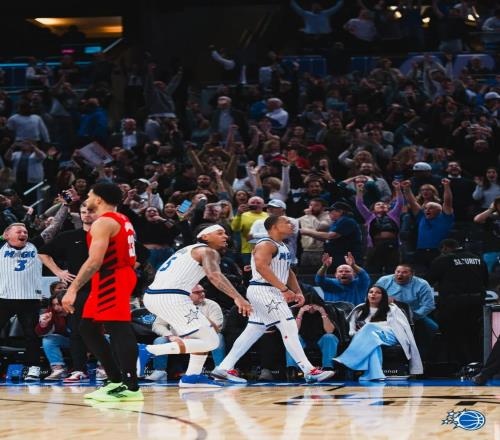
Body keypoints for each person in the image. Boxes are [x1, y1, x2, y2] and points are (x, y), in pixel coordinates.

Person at [212, 215, 335, 384]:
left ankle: (224, 367)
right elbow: (261, 267)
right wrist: (283, 289)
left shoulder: (283, 246)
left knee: (254, 330)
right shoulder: (265, 244)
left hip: (270, 290)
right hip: (264, 290)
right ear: (274, 227)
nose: (291, 224)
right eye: (286, 222)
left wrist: (298, 292)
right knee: (288, 326)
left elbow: (288, 271)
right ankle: (309, 370)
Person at [142, 224, 252, 387]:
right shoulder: (207, 251)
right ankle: (147, 351)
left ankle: (192, 376)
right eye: (220, 233)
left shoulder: (187, 250)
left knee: (204, 337)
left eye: (225, 233)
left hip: (158, 295)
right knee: (212, 341)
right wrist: (238, 297)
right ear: (205, 236)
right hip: (171, 297)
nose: (226, 236)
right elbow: (214, 275)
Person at [62, 183, 142, 402]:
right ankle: (115, 380)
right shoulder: (122, 219)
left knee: (118, 327)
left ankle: (131, 386)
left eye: (89, 195)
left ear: (98, 199)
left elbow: (94, 260)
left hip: (112, 276)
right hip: (110, 276)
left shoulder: (103, 222)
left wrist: (72, 289)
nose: (86, 198)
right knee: (87, 328)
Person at [39, 203, 99, 383]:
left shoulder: (109, 236)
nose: (86, 214)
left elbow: (140, 254)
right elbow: (43, 253)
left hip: (103, 289)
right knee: (77, 331)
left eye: (90, 211)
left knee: (107, 330)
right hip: (78, 291)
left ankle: (107, 368)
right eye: (83, 212)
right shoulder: (70, 236)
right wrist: (59, 272)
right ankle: (79, 370)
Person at [334, 285, 423, 381]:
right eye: (371, 292)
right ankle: (374, 375)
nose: (373, 294)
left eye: (377, 292)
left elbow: (398, 328)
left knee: (369, 326)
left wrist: (370, 328)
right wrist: (360, 334)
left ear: (383, 296)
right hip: (370, 338)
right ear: (367, 295)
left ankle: (347, 359)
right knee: (373, 343)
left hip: (389, 336)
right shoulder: (359, 310)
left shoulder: (392, 309)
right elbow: (351, 331)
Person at [145, 284, 225, 382]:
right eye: (197, 292)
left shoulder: (212, 305)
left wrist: (200, 316)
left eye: (203, 291)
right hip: (178, 337)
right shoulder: (172, 306)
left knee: (218, 337)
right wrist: (170, 335)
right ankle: (160, 371)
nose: (202, 294)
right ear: (187, 294)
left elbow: (217, 328)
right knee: (160, 340)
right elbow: (157, 325)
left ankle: (219, 370)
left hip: (202, 337)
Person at [427, 239, 488, 366]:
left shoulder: (442, 260)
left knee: (453, 335)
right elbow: (485, 281)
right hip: (476, 302)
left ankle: (458, 365)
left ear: (444, 248)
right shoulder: (477, 258)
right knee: (474, 334)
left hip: (453, 304)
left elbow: (429, 280)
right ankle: (476, 364)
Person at [0, 223, 43, 381]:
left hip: (29, 299)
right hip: (4, 298)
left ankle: (33, 368)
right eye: (19, 231)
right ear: (7, 235)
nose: (23, 234)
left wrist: (65, 209)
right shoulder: (1, 247)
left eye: (25, 232)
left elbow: (53, 229)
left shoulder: (35, 245)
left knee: (32, 335)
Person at [375, 265, 437, 361]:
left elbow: (429, 305)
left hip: (414, 316)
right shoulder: (384, 281)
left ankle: (421, 359)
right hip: (387, 315)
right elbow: (372, 296)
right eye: (398, 271)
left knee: (432, 327)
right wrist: (383, 300)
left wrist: (412, 316)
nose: (400, 274)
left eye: (404, 272)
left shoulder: (422, 284)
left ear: (412, 274)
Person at [401, 178, 454, 269]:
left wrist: (446, 186)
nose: (427, 210)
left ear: (439, 210)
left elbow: (448, 201)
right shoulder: (422, 216)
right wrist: (406, 188)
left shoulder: (446, 217)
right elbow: (412, 202)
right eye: (425, 208)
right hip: (421, 252)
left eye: (431, 208)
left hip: (439, 252)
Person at [356, 180, 403, 274]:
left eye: (384, 204)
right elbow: (359, 204)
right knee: (373, 270)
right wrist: (359, 190)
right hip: (375, 246)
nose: (381, 205)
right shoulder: (369, 216)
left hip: (393, 246)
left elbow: (400, 203)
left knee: (392, 270)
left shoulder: (394, 215)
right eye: (378, 204)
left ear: (388, 207)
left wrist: (398, 189)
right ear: (373, 208)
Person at [300, 201, 363, 270]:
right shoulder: (337, 222)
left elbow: (330, 236)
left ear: (340, 212)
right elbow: (328, 239)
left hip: (345, 259)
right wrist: (310, 234)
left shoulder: (346, 221)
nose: (328, 213)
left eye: (331, 211)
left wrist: (308, 232)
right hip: (336, 258)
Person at [36, 293, 71, 381]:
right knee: (49, 339)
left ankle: (102, 368)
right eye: (54, 305)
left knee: (103, 338)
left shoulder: (78, 309)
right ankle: (58, 369)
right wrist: (43, 324)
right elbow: (39, 333)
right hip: (68, 340)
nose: (56, 307)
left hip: (84, 340)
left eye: (59, 304)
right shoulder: (51, 312)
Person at [230, 196, 268, 265]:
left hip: (266, 249)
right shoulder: (243, 215)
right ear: (248, 204)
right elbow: (234, 228)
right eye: (252, 203)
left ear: (263, 205)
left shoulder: (268, 216)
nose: (255, 204)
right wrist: (238, 214)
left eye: (258, 203)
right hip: (248, 250)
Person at [298, 198, 331, 266]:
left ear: (323, 208)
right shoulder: (307, 216)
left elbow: (318, 226)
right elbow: (293, 223)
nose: (311, 208)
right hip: (305, 251)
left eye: (316, 205)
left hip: (321, 251)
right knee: (304, 272)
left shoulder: (328, 217)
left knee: (320, 271)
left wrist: (310, 216)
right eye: (310, 205)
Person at [474, 197, 500, 273]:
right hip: (491, 250)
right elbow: (477, 219)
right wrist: (490, 209)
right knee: (488, 274)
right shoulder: (490, 217)